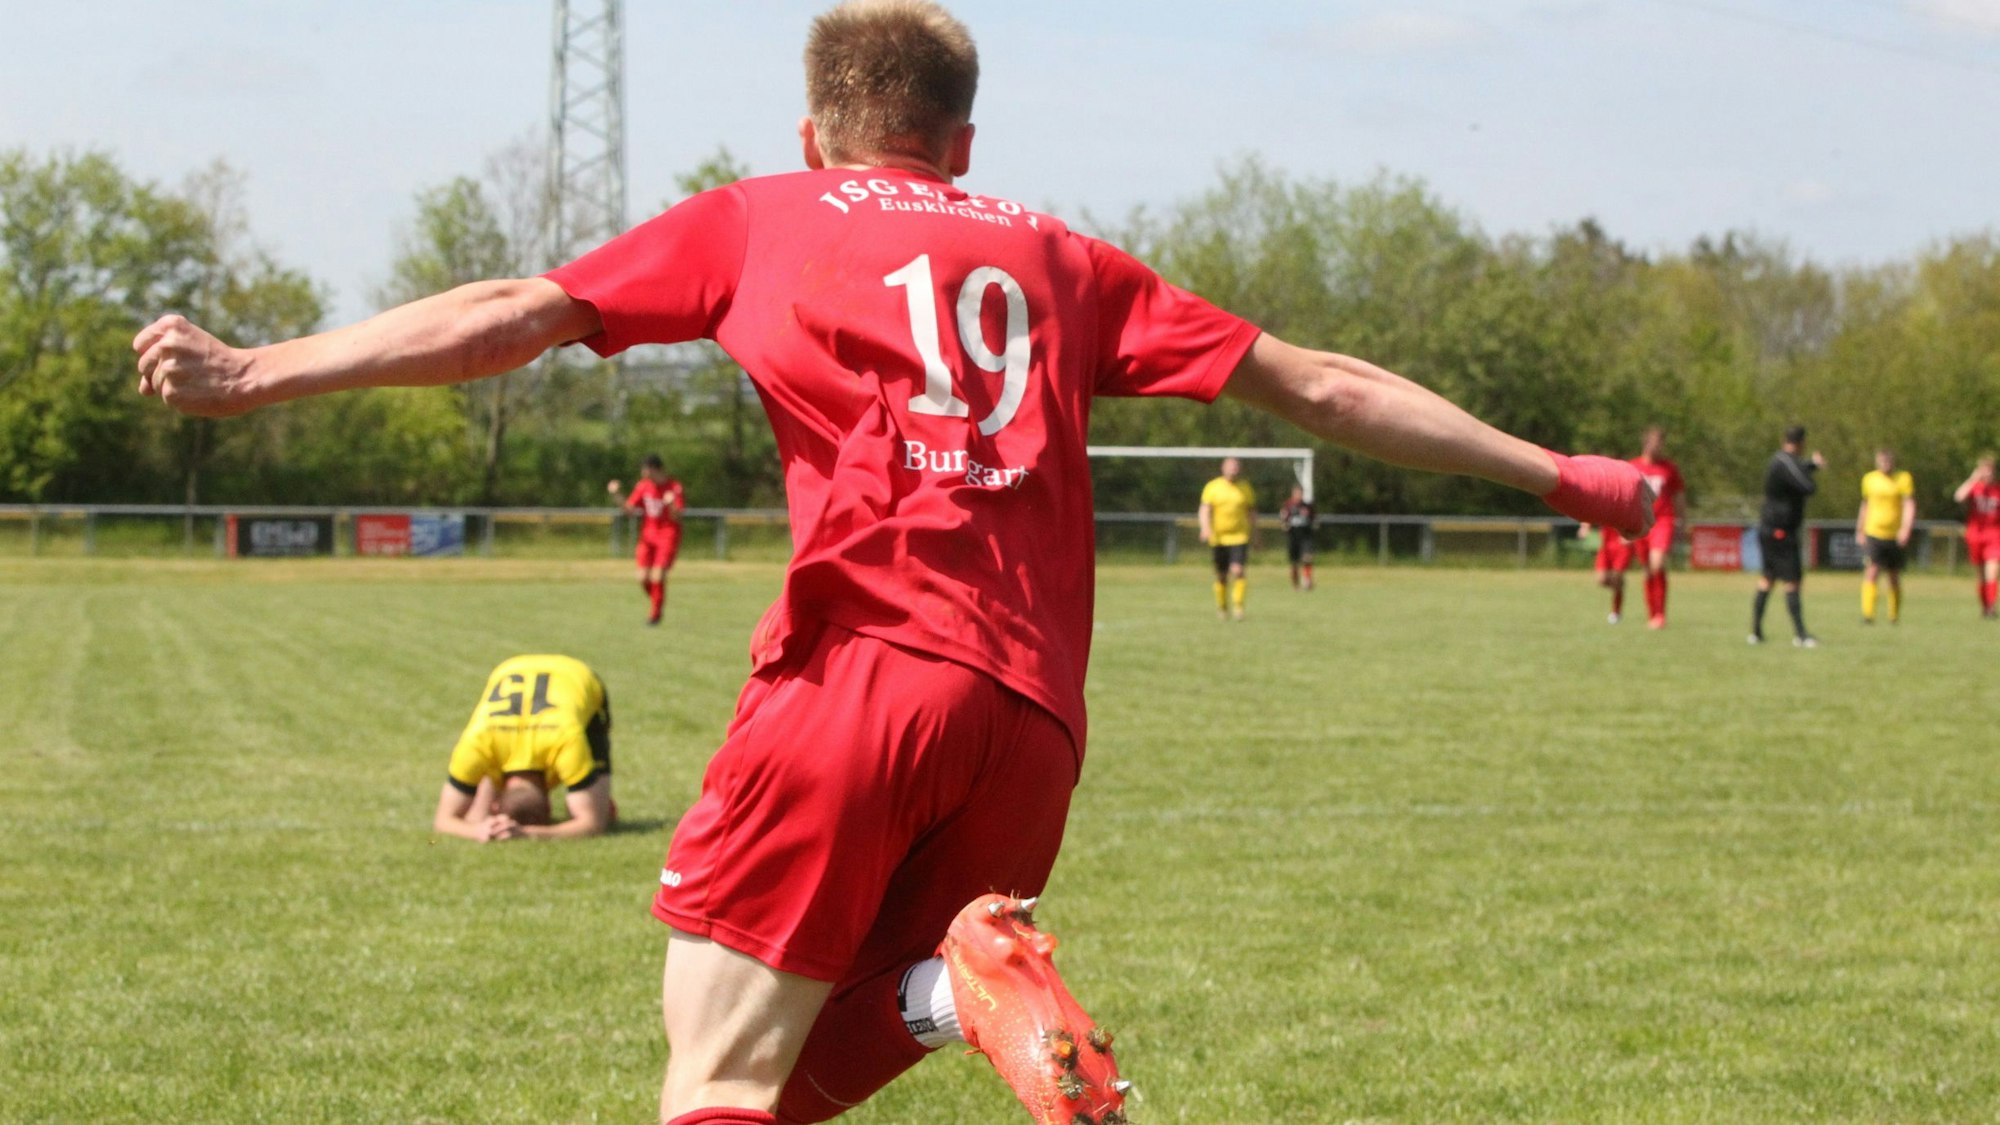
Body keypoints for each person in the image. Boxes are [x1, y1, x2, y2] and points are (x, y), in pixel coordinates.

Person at [130, 4, 1652, 1122]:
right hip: (1032, 729)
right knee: (783, 1087)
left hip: (857, 682)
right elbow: (1320, 382)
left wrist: (265, 369)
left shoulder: (760, 218)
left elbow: (517, 310)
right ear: (964, 142)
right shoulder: (1063, 255)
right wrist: (1564, 476)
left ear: (814, 133)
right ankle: (950, 985)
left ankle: (955, 984)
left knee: (713, 1075)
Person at [432, 654, 615, 842]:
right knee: (477, 817)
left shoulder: (478, 743)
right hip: (516, 670)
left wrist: (518, 833)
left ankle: (594, 792)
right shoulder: (478, 744)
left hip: (576, 675)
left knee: (601, 815)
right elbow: (443, 822)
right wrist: (481, 828)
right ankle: (589, 790)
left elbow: (593, 825)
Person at [1749, 425, 1824, 647]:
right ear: (1801, 443)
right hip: (1781, 530)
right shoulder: (1785, 461)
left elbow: (1798, 470)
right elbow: (1806, 486)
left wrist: (1811, 465)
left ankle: (1755, 632)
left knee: (1767, 579)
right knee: (1792, 581)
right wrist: (1811, 472)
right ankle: (1801, 635)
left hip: (1769, 528)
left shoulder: (1782, 461)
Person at [609, 454, 685, 626]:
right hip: (647, 536)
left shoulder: (674, 487)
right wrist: (616, 494)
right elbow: (628, 510)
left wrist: (671, 504)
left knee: (657, 576)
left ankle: (655, 614)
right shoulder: (643, 487)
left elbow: (678, 516)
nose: (643, 472)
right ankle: (657, 603)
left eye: (646, 468)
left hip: (667, 535)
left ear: (655, 469)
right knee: (643, 578)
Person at [1629, 427, 1686, 629]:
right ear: (1646, 443)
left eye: (1661, 442)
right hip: (1640, 522)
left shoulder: (1669, 468)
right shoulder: (1632, 466)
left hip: (1663, 520)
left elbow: (1679, 497)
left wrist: (1681, 522)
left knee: (1657, 563)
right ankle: (1652, 613)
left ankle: (1660, 615)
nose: (1658, 446)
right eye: (1654, 442)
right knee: (1647, 570)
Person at [1857, 448, 1916, 624]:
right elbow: (1865, 505)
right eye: (1881, 461)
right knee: (1872, 571)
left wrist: (1906, 528)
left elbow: (1909, 505)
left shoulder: (1903, 478)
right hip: (1874, 532)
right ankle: (1868, 615)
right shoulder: (1869, 479)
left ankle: (1893, 616)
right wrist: (1860, 528)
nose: (1885, 465)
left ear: (1893, 462)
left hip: (1894, 534)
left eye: (1888, 461)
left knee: (1893, 575)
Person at [1198, 457, 1257, 618]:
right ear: (1223, 468)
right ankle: (1222, 607)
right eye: (1230, 466)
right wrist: (1205, 528)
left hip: (1239, 536)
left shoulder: (1245, 488)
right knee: (1221, 575)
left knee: (1238, 570)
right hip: (1218, 538)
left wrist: (1256, 535)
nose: (1233, 469)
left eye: (1236, 466)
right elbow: (1204, 510)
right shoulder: (1213, 487)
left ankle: (1238, 606)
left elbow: (1251, 513)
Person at [1952, 454, 1999, 618]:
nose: (1987, 475)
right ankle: (1985, 606)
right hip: (1975, 535)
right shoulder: (1975, 487)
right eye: (1984, 471)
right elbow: (1958, 496)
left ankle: (1992, 606)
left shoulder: (1997, 490)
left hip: (1994, 535)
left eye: (1990, 471)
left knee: (1992, 571)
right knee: (1981, 575)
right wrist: (1973, 479)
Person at [1578, 520, 1637, 624]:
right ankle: (1620, 585)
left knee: (1617, 578)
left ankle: (1616, 612)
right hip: (1606, 544)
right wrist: (1585, 526)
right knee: (1601, 580)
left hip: (1622, 543)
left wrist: (1632, 534)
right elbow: (1592, 508)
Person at [1278, 484, 1316, 591]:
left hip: (1305, 536)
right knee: (1294, 563)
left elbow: (1314, 519)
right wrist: (1284, 525)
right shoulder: (1287, 505)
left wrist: (1313, 525)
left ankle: (1307, 580)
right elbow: (1283, 519)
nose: (1298, 495)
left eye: (1300, 493)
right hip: (1293, 537)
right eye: (1296, 493)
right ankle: (1296, 584)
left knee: (1307, 558)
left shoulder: (1307, 506)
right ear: (1292, 494)